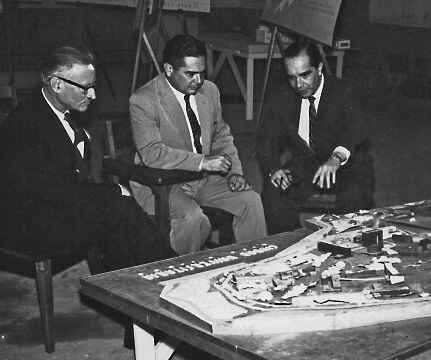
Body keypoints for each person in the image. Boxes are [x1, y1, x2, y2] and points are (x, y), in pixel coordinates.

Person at [0, 45, 176, 271]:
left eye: (94, 86)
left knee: (121, 220)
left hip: (54, 205)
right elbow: (59, 192)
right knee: (121, 210)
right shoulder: (25, 125)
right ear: (56, 84)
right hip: (25, 224)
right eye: (85, 88)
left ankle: (130, 280)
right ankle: (169, 270)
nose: (93, 95)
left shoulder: (54, 108)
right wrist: (114, 190)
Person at [129, 34, 267, 255]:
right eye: (190, 73)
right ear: (169, 69)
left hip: (205, 179)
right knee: (193, 219)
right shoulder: (143, 100)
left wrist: (234, 173)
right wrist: (202, 162)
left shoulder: (209, 91)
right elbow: (152, 153)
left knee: (251, 201)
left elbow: (221, 136)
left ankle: (256, 266)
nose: (199, 80)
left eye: (202, 72)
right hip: (165, 183)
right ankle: (182, 271)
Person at [258, 41, 375, 234]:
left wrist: (336, 158)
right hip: (306, 166)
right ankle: (293, 246)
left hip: (348, 166)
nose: (299, 84)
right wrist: (274, 169)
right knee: (274, 194)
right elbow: (267, 140)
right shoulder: (283, 97)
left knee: (356, 198)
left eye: (305, 75)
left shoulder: (345, 91)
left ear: (319, 68)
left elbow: (356, 129)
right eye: (292, 77)